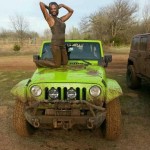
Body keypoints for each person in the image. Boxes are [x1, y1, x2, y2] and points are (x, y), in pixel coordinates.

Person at [34, 2, 74, 67]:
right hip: (55, 45)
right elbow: (41, 3)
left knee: (65, 62)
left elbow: (71, 11)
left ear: (57, 9)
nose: (53, 10)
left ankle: (48, 60)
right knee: (57, 64)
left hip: (62, 44)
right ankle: (37, 61)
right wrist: (48, 8)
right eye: (52, 9)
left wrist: (63, 5)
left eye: (55, 8)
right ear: (50, 10)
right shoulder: (49, 18)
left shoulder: (60, 19)